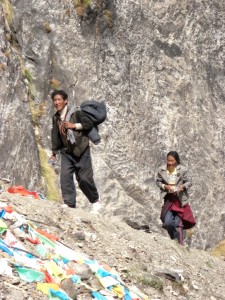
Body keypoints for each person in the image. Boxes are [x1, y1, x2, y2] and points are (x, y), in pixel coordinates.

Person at [49, 90, 101, 213]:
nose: (57, 102)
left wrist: (74, 126)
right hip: (67, 152)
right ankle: (69, 203)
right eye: (55, 100)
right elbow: (56, 136)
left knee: (84, 179)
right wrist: (54, 153)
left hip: (81, 150)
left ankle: (95, 201)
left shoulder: (76, 112)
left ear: (65, 101)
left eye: (59, 100)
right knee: (65, 177)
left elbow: (88, 124)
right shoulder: (56, 117)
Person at [156, 151, 195, 245]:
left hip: (180, 200)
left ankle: (179, 244)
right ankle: (174, 239)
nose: (169, 162)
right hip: (169, 199)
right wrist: (165, 187)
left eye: (172, 161)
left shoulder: (183, 170)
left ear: (176, 161)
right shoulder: (162, 170)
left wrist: (182, 187)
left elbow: (189, 181)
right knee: (167, 221)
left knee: (178, 223)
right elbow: (158, 182)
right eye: (168, 160)